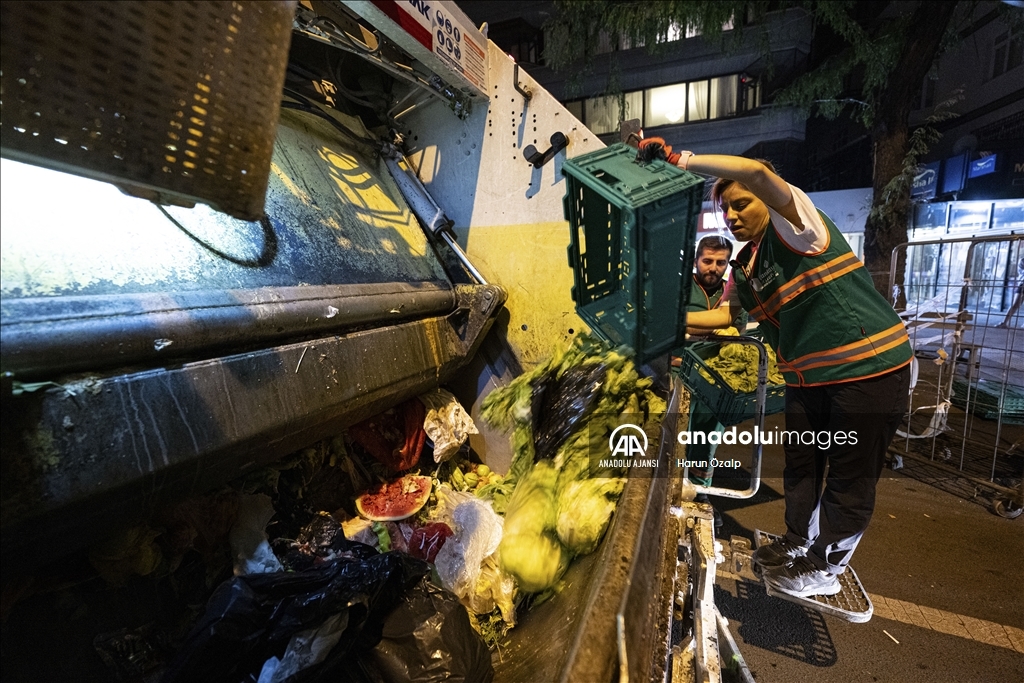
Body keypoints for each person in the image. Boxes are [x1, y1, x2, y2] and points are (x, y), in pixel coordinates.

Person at [645, 141, 913, 599]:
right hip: (808, 381)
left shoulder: (798, 228)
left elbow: (754, 171)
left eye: (741, 203)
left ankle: (826, 569)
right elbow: (727, 319)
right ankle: (798, 542)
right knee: (802, 468)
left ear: (765, 197)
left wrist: (681, 161)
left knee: (849, 479)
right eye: (725, 209)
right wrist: (656, 323)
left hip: (868, 372)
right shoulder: (746, 265)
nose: (732, 216)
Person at [683, 235, 746, 528]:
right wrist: (712, 329)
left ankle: (700, 491)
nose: (713, 267)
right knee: (674, 430)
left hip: (717, 375)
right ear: (696, 260)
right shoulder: (682, 288)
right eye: (707, 261)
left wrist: (694, 330)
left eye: (721, 262)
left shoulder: (731, 293)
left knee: (707, 435)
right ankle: (670, 486)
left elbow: (736, 330)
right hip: (680, 370)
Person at [995, 254, 1023, 329]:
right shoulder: (1022, 260)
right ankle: (1004, 322)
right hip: (1022, 284)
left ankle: (1004, 322)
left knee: (1015, 304)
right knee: (1015, 304)